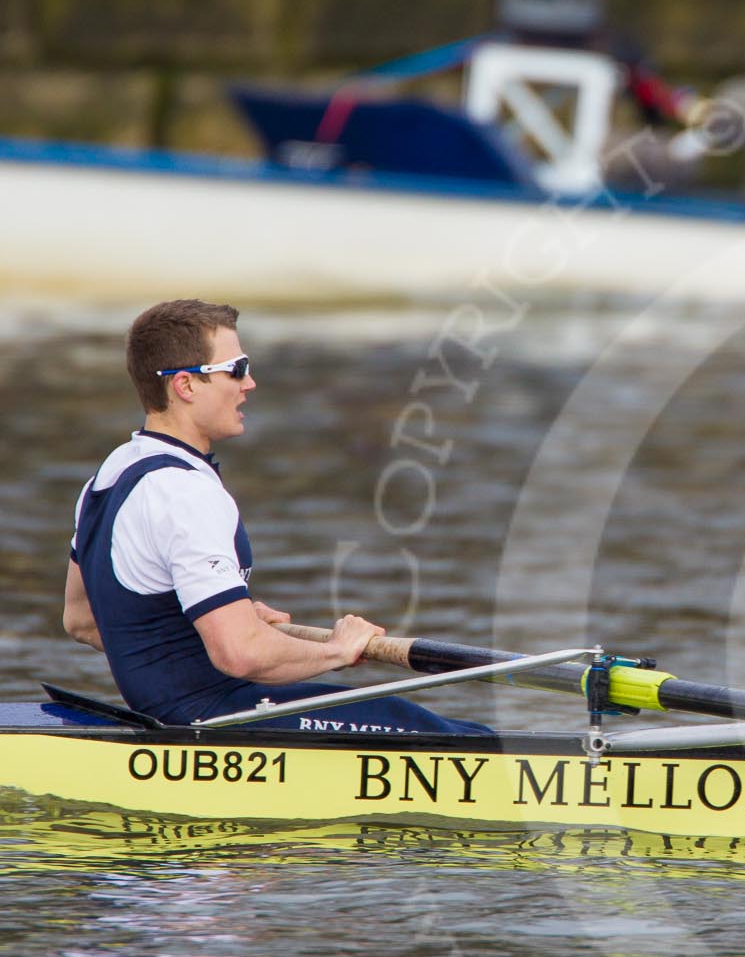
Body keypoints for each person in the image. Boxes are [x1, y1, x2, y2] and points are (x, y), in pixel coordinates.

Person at [63, 300, 487, 734]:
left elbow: (83, 620)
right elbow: (240, 655)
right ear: (186, 386)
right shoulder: (186, 493)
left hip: (169, 711)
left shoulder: (110, 474)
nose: (250, 383)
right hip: (214, 717)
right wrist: (338, 651)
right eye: (236, 368)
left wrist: (220, 621)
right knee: (418, 724)